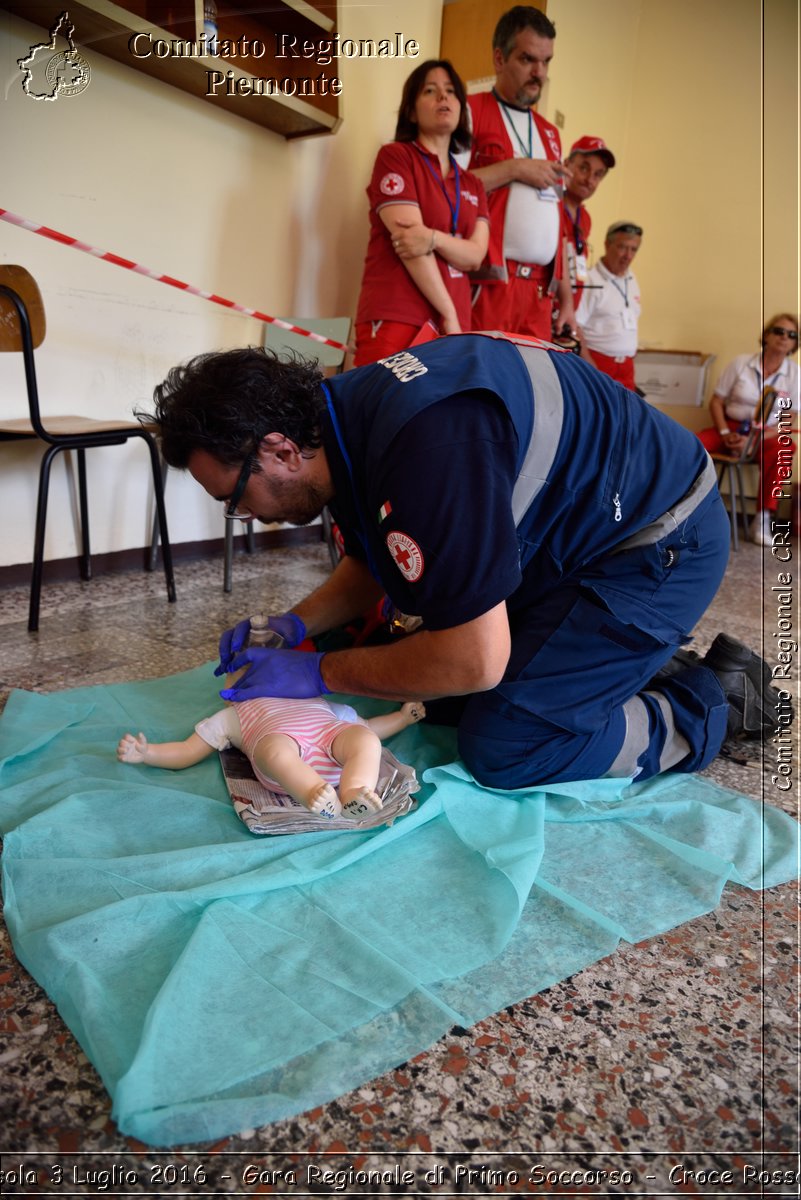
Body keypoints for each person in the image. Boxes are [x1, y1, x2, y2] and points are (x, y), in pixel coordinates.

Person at [144, 334, 782, 792]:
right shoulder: (340, 419)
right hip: (590, 533)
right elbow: (376, 555)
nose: (246, 516)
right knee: (431, 688)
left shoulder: (425, 448)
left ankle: (711, 704)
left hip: (663, 545)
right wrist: (295, 627)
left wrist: (316, 672)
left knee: (507, 744)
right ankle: (617, 663)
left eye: (233, 497)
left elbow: (476, 660)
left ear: (279, 451)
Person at [118, 678, 426, 818]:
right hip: (286, 764)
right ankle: (313, 794)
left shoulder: (317, 701)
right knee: (275, 750)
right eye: (249, 673)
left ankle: (353, 792)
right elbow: (188, 751)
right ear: (230, 693)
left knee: (364, 739)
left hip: (334, 748)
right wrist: (149, 753)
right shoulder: (233, 715)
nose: (266, 675)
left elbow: (370, 727)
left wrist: (400, 718)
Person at [353, 59, 489, 366]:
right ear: (412, 111)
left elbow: (475, 256)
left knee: (441, 414)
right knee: (387, 411)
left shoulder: (473, 184)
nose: (443, 97)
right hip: (400, 314)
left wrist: (433, 238)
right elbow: (409, 244)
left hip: (454, 326)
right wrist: (449, 312)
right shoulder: (395, 156)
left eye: (451, 91)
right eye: (430, 90)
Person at [463, 6, 574, 340]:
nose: (539, 72)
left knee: (529, 387)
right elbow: (447, 190)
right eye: (527, 59)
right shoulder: (470, 110)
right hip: (490, 283)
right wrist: (515, 168)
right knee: (483, 385)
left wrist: (566, 300)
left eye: (546, 61)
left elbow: (560, 226)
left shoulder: (550, 133)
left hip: (540, 292)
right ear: (499, 59)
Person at [697, 313, 800, 545]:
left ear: (795, 343)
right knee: (692, 445)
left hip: (767, 433)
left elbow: (790, 418)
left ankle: (763, 517)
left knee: (785, 449)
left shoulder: (795, 375)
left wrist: (755, 440)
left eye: (791, 335)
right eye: (779, 331)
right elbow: (716, 401)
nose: (784, 337)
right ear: (766, 335)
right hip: (730, 427)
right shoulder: (741, 363)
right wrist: (724, 433)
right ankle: (684, 508)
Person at [575, 220, 643, 390]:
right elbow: (575, 327)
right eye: (622, 247)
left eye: (633, 249)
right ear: (607, 245)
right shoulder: (590, 280)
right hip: (598, 363)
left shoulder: (631, 278)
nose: (628, 255)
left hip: (626, 367)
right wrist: (590, 367)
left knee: (626, 416)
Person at [559, 135, 616, 309]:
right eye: (584, 168)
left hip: (568, 314)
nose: (590, 180)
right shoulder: (551, 206)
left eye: (598, 175)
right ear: (567, 164)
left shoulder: (585, 218)